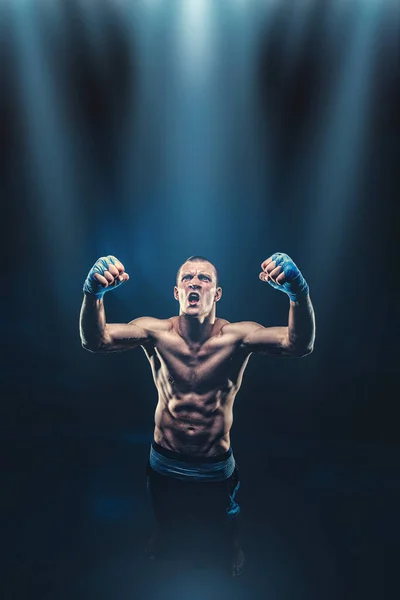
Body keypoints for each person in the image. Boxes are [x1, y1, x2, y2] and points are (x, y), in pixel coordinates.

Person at [79, 252, 315, 576]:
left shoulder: (237, 337)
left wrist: (297, 294)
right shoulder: (155, 333)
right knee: (164, 513)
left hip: (214, 464)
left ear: (216, 294)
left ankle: (231, 548)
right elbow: (96, 339)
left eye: (204, 278)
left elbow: (298, 343)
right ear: (176, 292)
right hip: (166, 458)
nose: (195, 283)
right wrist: (93, 295)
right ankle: (164, 535)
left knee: (226, 519)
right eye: (187, 278)